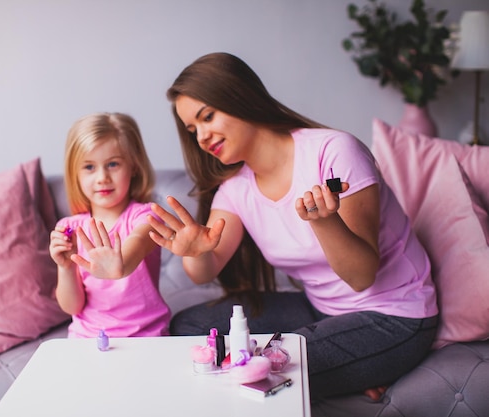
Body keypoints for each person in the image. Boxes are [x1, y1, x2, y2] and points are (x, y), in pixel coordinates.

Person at [147, 52, 438, 400]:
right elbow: (205, 268)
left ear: (239, 96)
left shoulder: (334, 151)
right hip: (321, 308)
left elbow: (362, 276)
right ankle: (348, 369)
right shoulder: (235, 189)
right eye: (193, 130)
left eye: (207, 117)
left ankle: (368, 362)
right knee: (191, 330)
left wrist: (325, 222)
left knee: (262, 369)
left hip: (393, 317)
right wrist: (194, 252)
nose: (202, 137)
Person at [49, 112, 170, 339]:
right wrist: (65, 267)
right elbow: (72, 307)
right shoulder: (69, 229)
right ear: (75, 174)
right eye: (89, 167)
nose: (102, 177)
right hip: (87, 339)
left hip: (146, 337)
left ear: (134, 166)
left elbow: (138, 241)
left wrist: (121, 263)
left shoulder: (146, 217)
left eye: (112, 164)